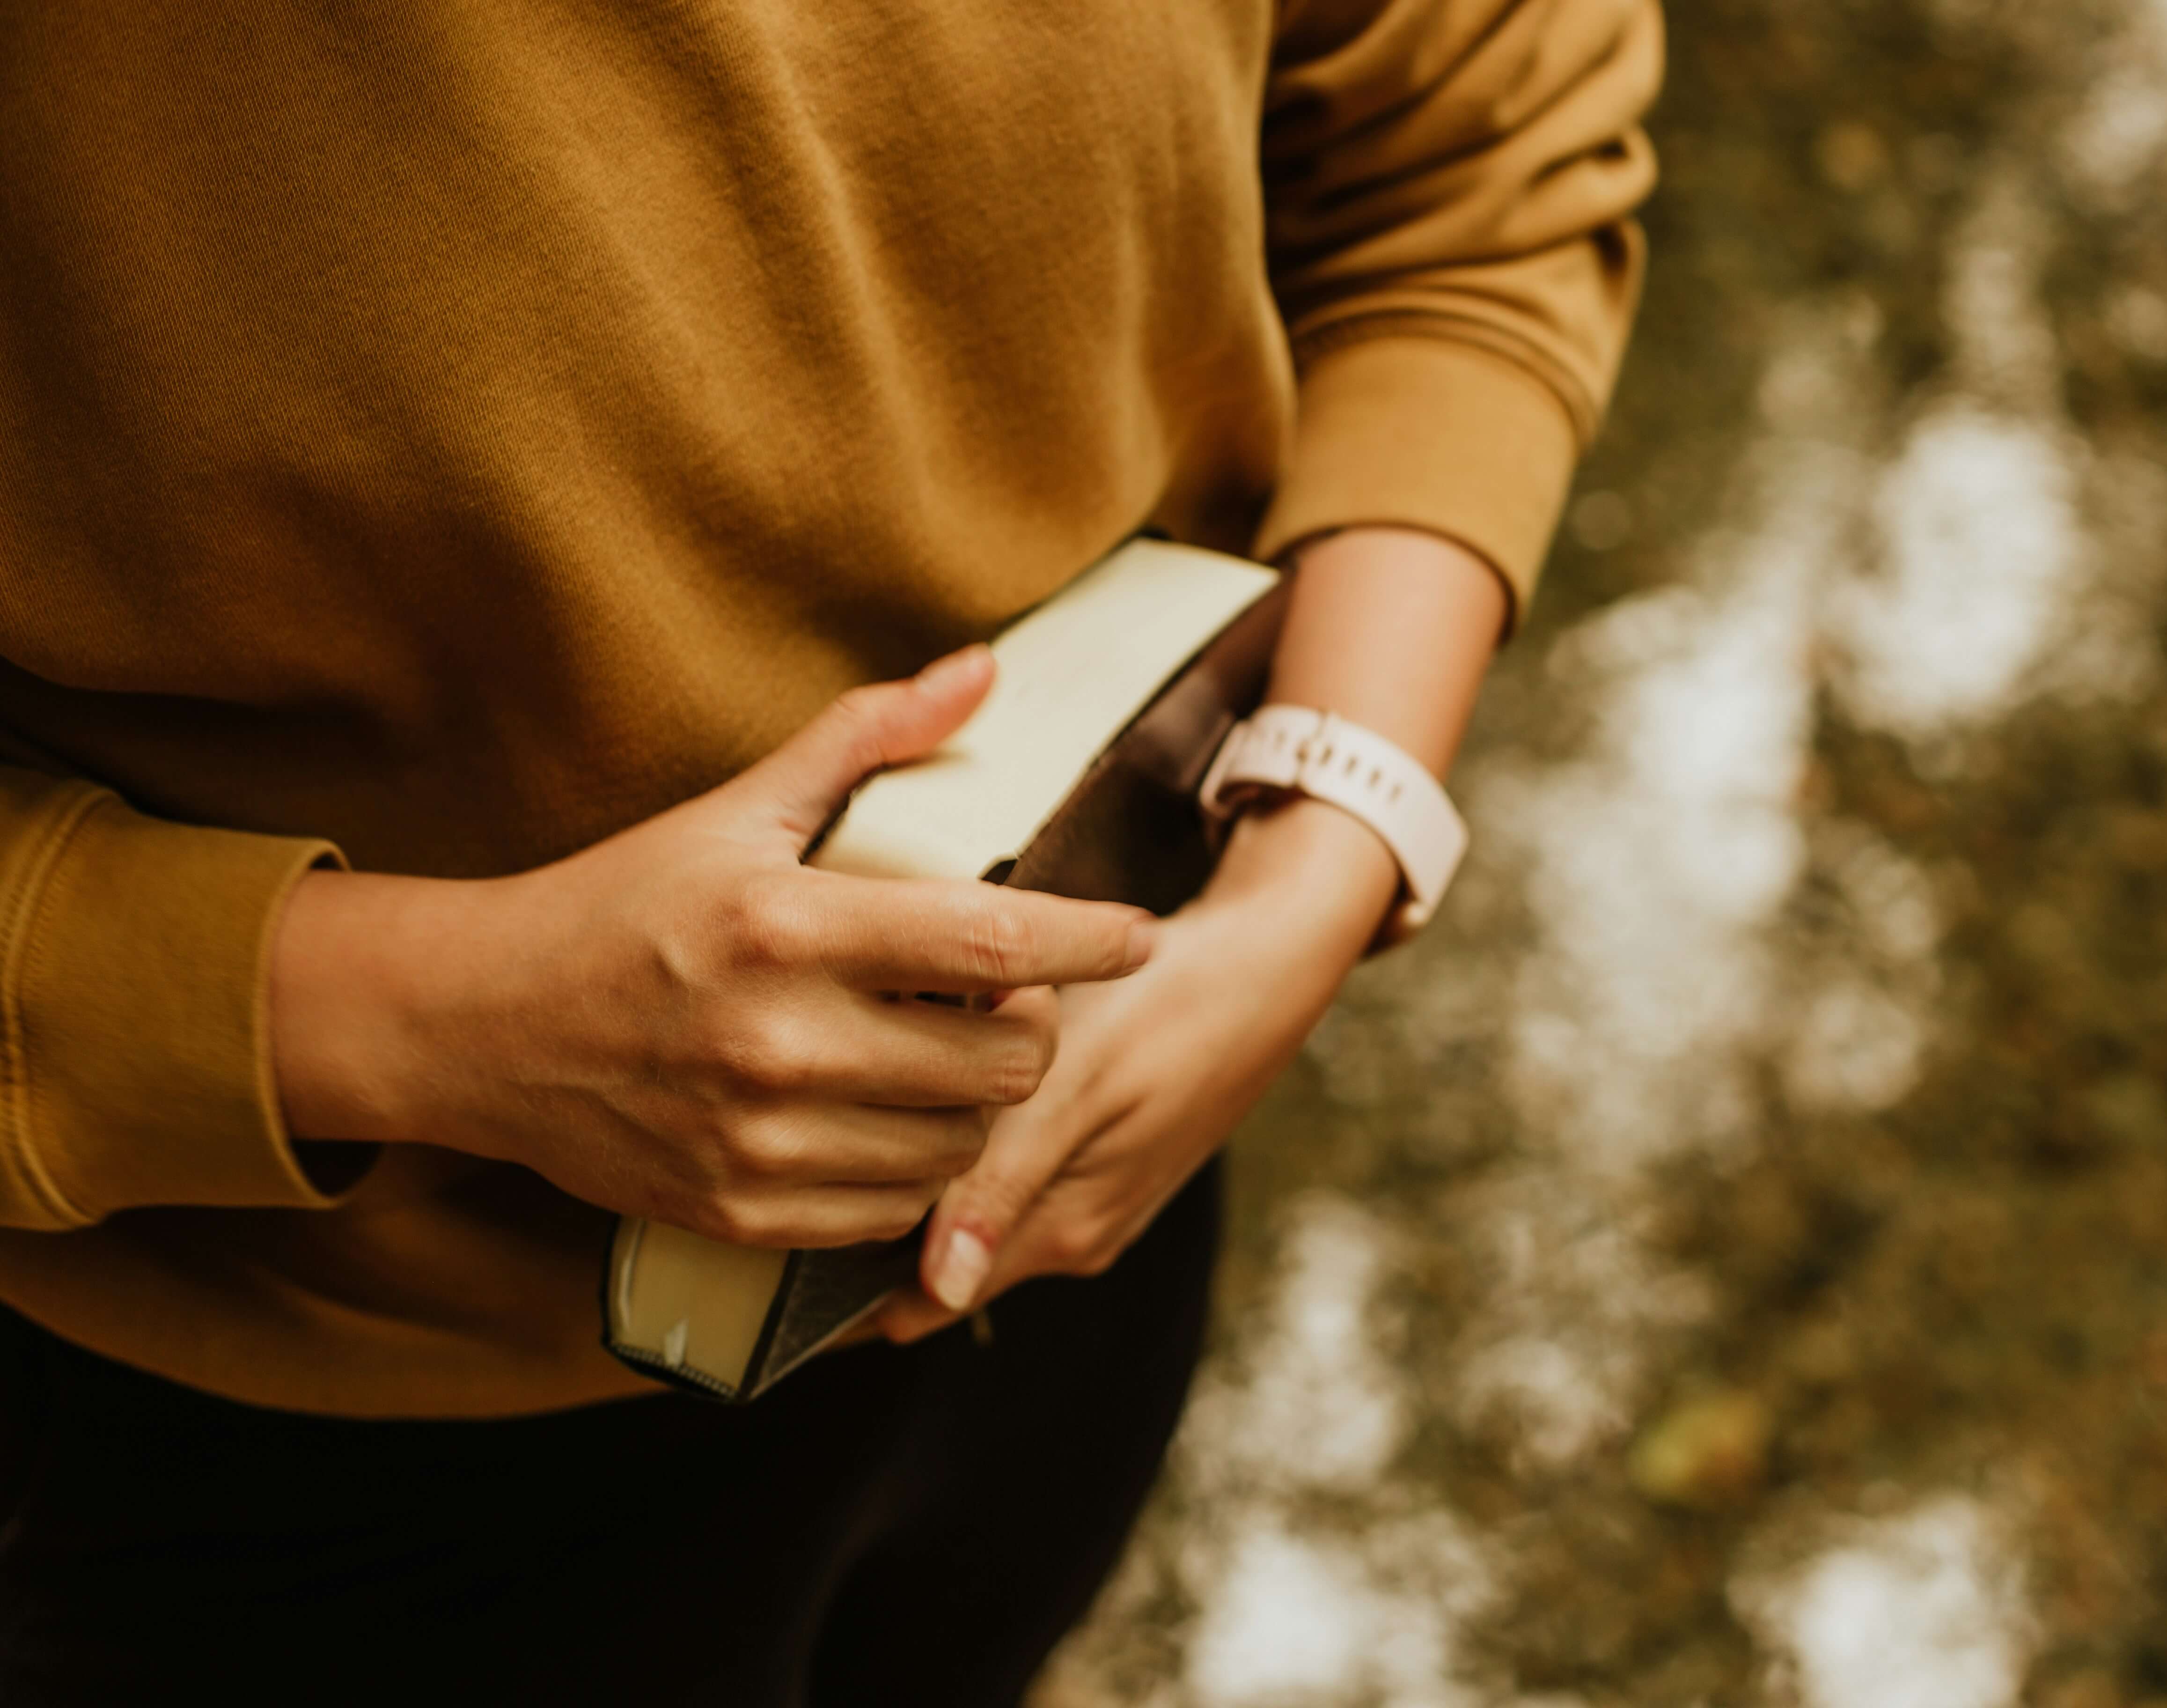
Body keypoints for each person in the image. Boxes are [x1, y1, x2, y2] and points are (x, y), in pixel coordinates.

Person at [0, 1, 1660, 1701]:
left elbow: (1474, 151)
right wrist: (423, 1019)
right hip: (272, 1421)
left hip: (1101, 1162)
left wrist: (1320, 861)